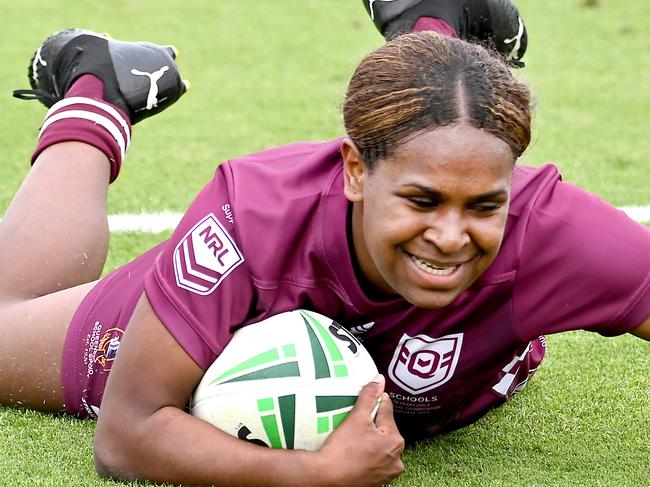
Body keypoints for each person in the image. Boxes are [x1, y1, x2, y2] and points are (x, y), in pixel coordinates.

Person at [1, 2, 648, 487]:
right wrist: (314, 473)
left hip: (442, 375)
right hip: (207, 316)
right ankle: (95, 90)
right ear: (355, 171)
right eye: (422, 202)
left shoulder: (550, 231)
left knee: (431, 135)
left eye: (485, 205)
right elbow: (126, 433)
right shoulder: (250, 221)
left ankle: (433, 15)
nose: (452, 237)